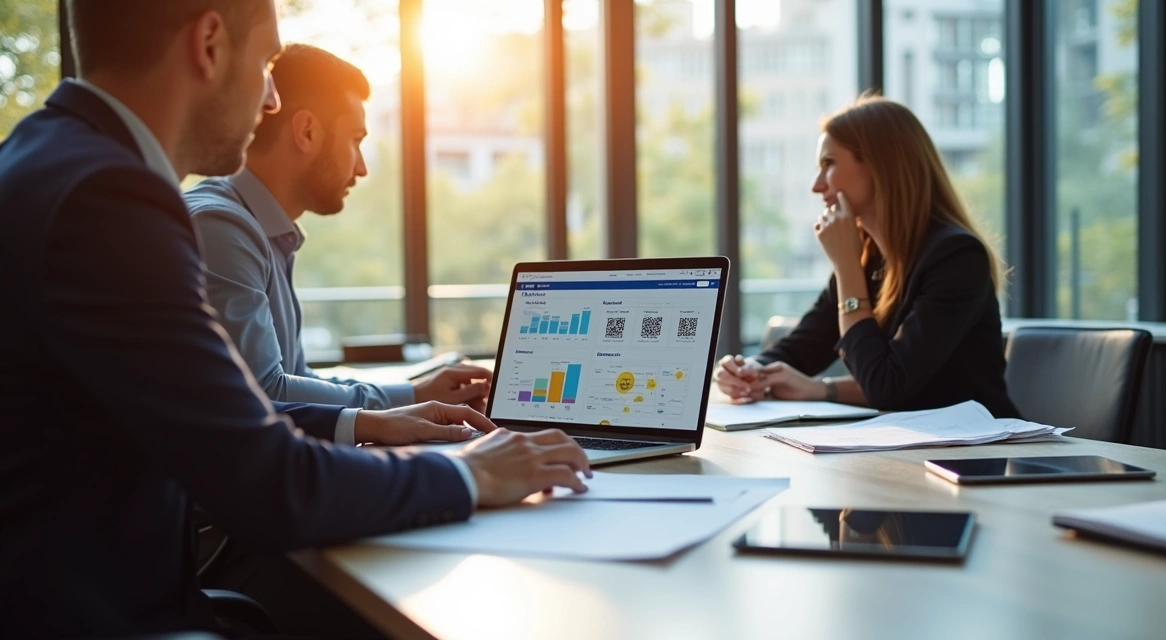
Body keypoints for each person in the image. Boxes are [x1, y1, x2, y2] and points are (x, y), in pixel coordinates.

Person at [0, 1, 591, 638]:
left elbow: (223, 415)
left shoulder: (42, 159)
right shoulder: (109, 200)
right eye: (267, 64)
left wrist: (372, 423)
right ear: (209, 44)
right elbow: (268, 484)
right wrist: (469, 471)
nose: (273, 99)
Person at [184, 43, 491, 414]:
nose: (362, 168)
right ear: (307, 131)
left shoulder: (262, 230)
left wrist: (416, 394)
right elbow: (266, 392)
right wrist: (401, 407)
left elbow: (295, 378)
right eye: (355, 141)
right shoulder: (221, 228)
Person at [715, 95, 1019, 418]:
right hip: (908, 448)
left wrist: (846, 268)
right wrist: (746, 371)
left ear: (878, 165)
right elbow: (801, 348)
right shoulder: (869, 257)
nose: (816, 186)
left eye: (828, 164)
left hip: (979, 452)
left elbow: (886, 385)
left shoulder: (956, 257)